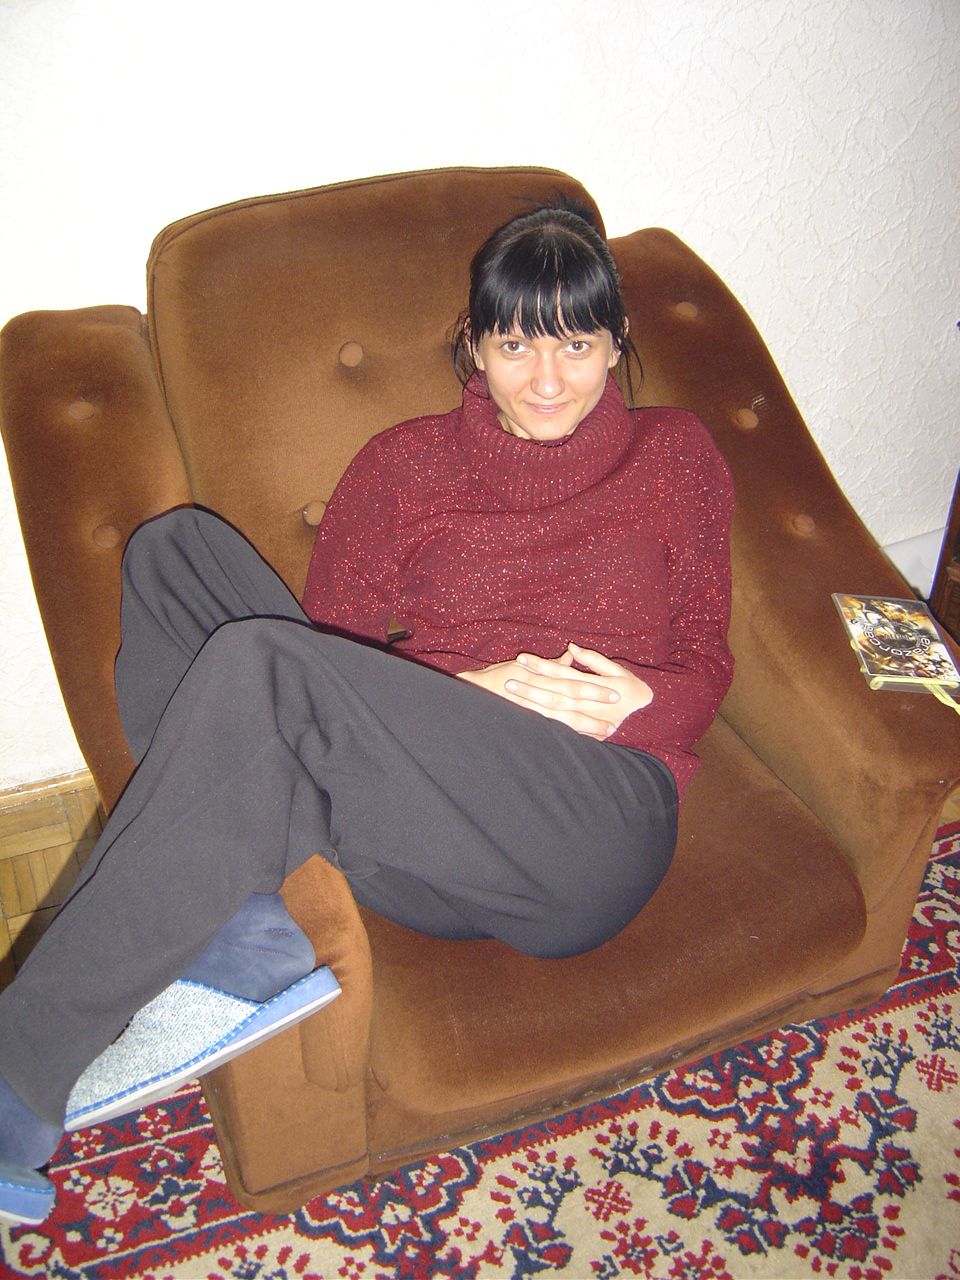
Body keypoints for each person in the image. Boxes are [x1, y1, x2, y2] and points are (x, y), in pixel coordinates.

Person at [0, 202, 733, 1225]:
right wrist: (463, 689)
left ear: (617, 343)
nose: (547, 379)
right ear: (473, 344)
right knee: (174, 555)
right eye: (515, 344)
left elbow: (708, 657)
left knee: (260, 662)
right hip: (425, 831)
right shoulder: (403, 465)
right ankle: (243, 926)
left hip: (590, 823)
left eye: (576, 343)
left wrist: (642, 700)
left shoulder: (675, 454)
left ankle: (20, 1069)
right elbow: (334, 648)